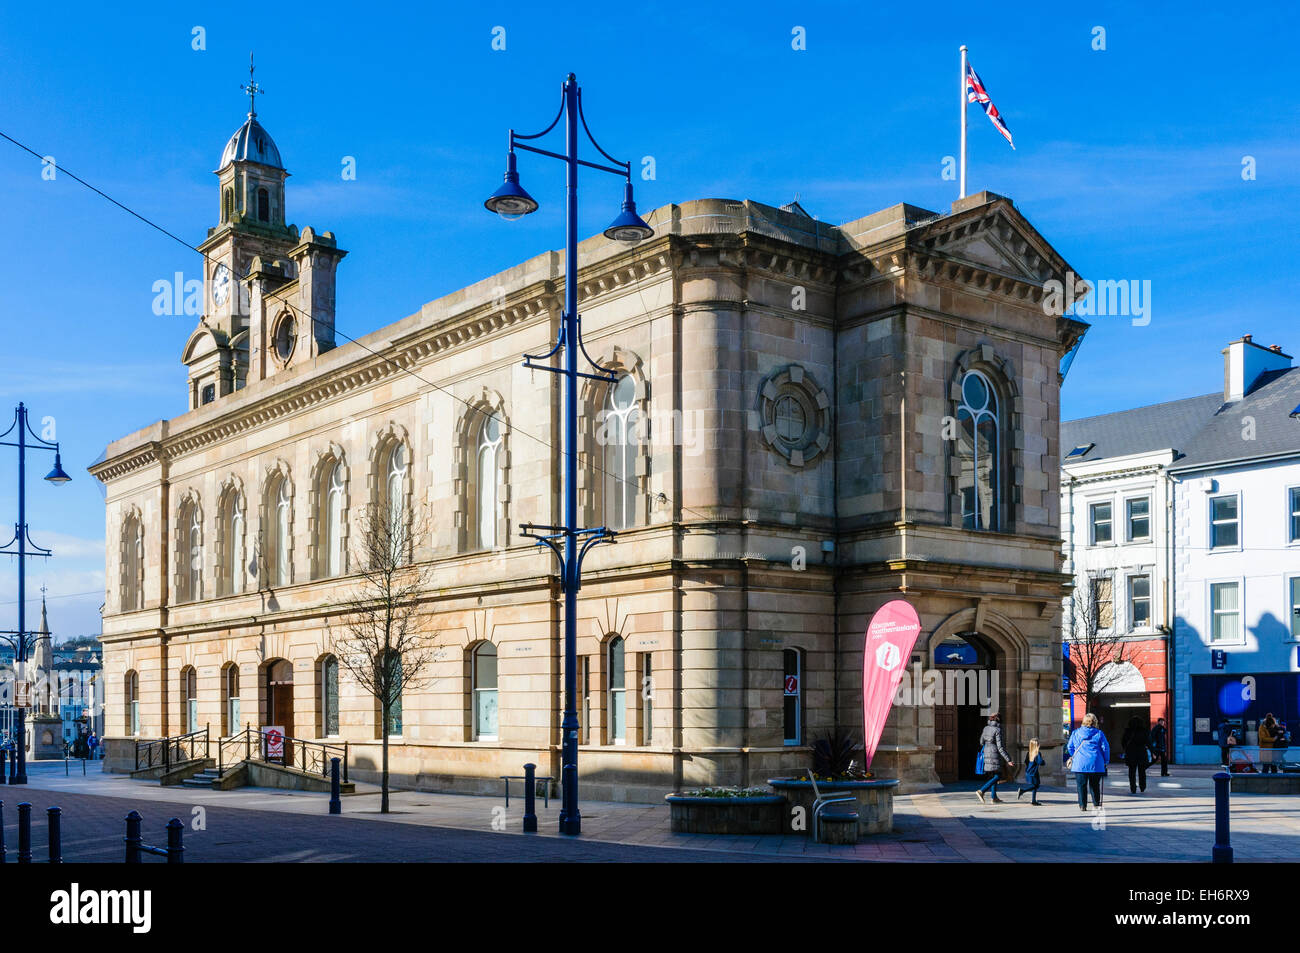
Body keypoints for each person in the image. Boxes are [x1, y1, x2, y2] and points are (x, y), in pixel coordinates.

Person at [1067, 712, 1110, 812]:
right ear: (1095, 722)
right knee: (1095, 785)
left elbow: (1070, 747)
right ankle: (1095, 804)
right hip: (1096, 762)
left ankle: (1083, 805)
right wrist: (1106, 760)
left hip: (1080, 764)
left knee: (1081, 785)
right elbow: (1105, 748)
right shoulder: (1099, 733)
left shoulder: (1076, 733)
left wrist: (1076, 755)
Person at [975, 713, 1016, 805]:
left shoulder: (985, 728)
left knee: (994, 775)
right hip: (994, 755)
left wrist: (988, 745)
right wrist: (1008, 760)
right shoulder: (997, 730)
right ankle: (982, 791)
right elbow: (1000, 747)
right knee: (998, 776)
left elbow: (981, 742)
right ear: (999, 720)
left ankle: (994, 797)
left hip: (986, 753)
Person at [1121, 715, 1151, 793]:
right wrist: (1152, 751)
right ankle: (1142, 786)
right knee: (1142, 771)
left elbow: (1123, 742)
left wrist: (1126, 749)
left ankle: (1133, 788)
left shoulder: (1128, 731)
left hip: (1131, 753)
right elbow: (1148, 742)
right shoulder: (1144, 731)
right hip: (1141, 753)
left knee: (1132, 772)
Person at [1017, 738, 1046, 805]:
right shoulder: (1037, 753)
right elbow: (1040, 762)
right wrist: (1043, 762)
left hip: (1029, 772)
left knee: (1035, 785)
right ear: (1037, 745)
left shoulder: (1029, 753)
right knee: (1036, 785)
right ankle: (1022, 791)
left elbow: (1026, 762)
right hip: (1034, 772)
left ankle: (1033, 801)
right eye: (1039, 743)